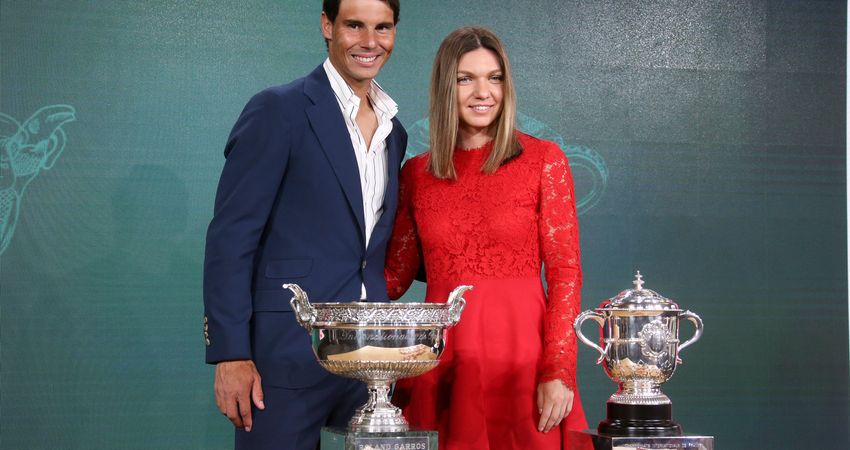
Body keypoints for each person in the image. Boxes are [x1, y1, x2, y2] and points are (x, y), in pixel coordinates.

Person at [203, 1, 406, 449]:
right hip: (284, 357)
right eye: (354, 25)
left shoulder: (395, 132)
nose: (369, 41)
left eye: (382, 27)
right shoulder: (279, 109)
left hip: (370, 364)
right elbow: (231, 236)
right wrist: (231, 353)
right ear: (327, 26)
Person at [385, 26, 588, 449]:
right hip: (440, 366)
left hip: (523, 363)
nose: (483, 92)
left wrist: (559, 369)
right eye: (466, 79)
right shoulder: (416, 174)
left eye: (494, 78)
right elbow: (392, 279)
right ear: (446, 87)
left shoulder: (544, 160)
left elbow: (566, 274)